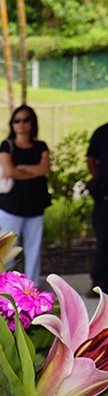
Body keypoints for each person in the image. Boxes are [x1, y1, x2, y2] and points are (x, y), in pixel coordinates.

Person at [0, 104, 52, 286]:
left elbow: (45, 168)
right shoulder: (7, 145)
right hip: (11, 206)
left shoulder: (40, 145)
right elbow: (9, 171)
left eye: (25, 120)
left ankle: (32, 288)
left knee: (34, 250)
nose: (21, 124)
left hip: (35, 206)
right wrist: (34, 172)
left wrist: (23, 168)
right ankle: (4, 287)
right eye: (16, 121)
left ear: (32, 122)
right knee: (7, 250)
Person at [86, 119, 108, 296]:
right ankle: (99, 283)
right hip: (105, 196)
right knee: (104, 238)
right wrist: (99, 180)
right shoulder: (102, 132)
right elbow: (91, 160)